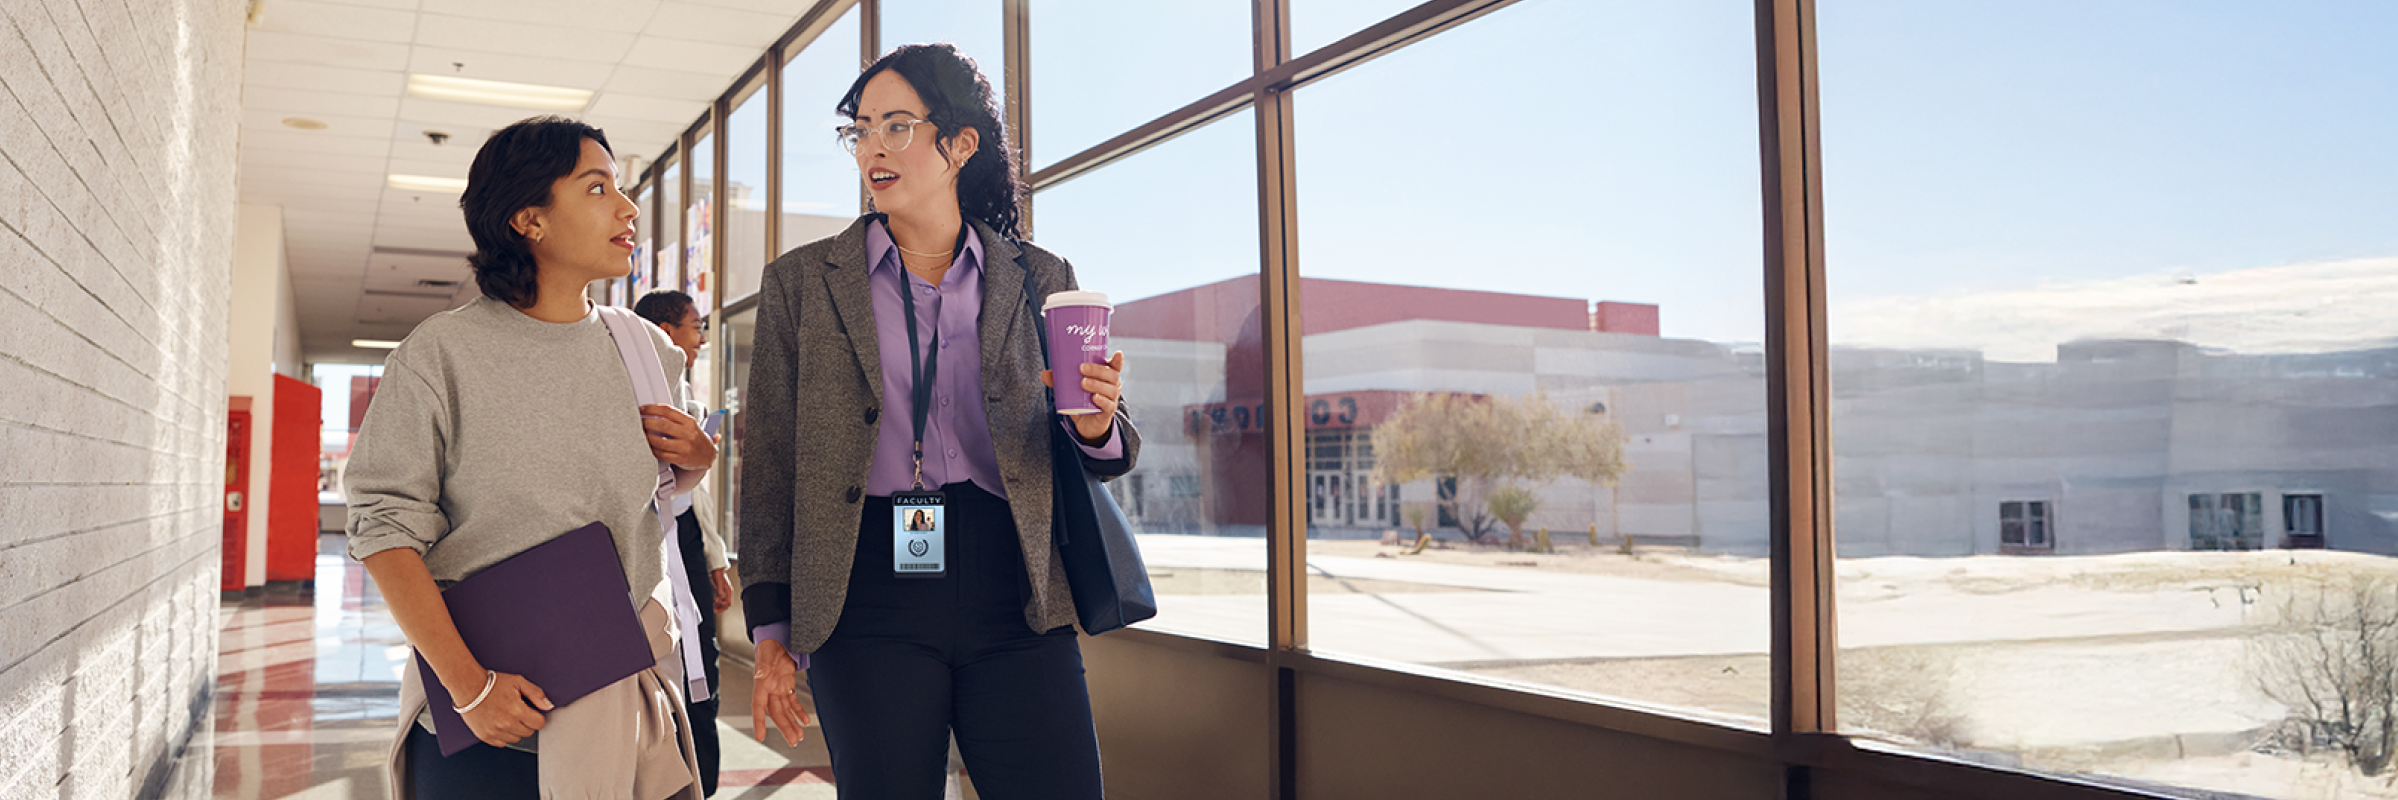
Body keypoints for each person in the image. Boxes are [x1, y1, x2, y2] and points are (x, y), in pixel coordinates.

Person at [738, 43, 1139, 800]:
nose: (874, 148)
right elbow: (770, 467)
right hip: (865, 593)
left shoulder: (1040, 278)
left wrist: (1096, 423)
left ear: (959, 146)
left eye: (897, 126)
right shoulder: (801, 283)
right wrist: (770, 629)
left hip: (1015, 589)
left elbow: (1100, 442)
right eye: (860, 130)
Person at [346, 116, 715, 799]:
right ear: (528, 220)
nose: (627, 208)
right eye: (597, 188)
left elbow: (647, 493)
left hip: (620, 709)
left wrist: (697, 456)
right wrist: (469, 686)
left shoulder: (646, 351)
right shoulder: (441, 354)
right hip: (491, 715)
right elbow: (382, 529)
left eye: (621, 188)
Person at [633, 288, 734, 796]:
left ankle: (702, 785)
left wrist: (715, 560)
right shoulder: (631, 391)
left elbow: (697, 494)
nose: (699, 339)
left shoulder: (688, 397)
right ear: (665, 332)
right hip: (643, 541)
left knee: (702, 664)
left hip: (687, 541)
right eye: (695, 327)